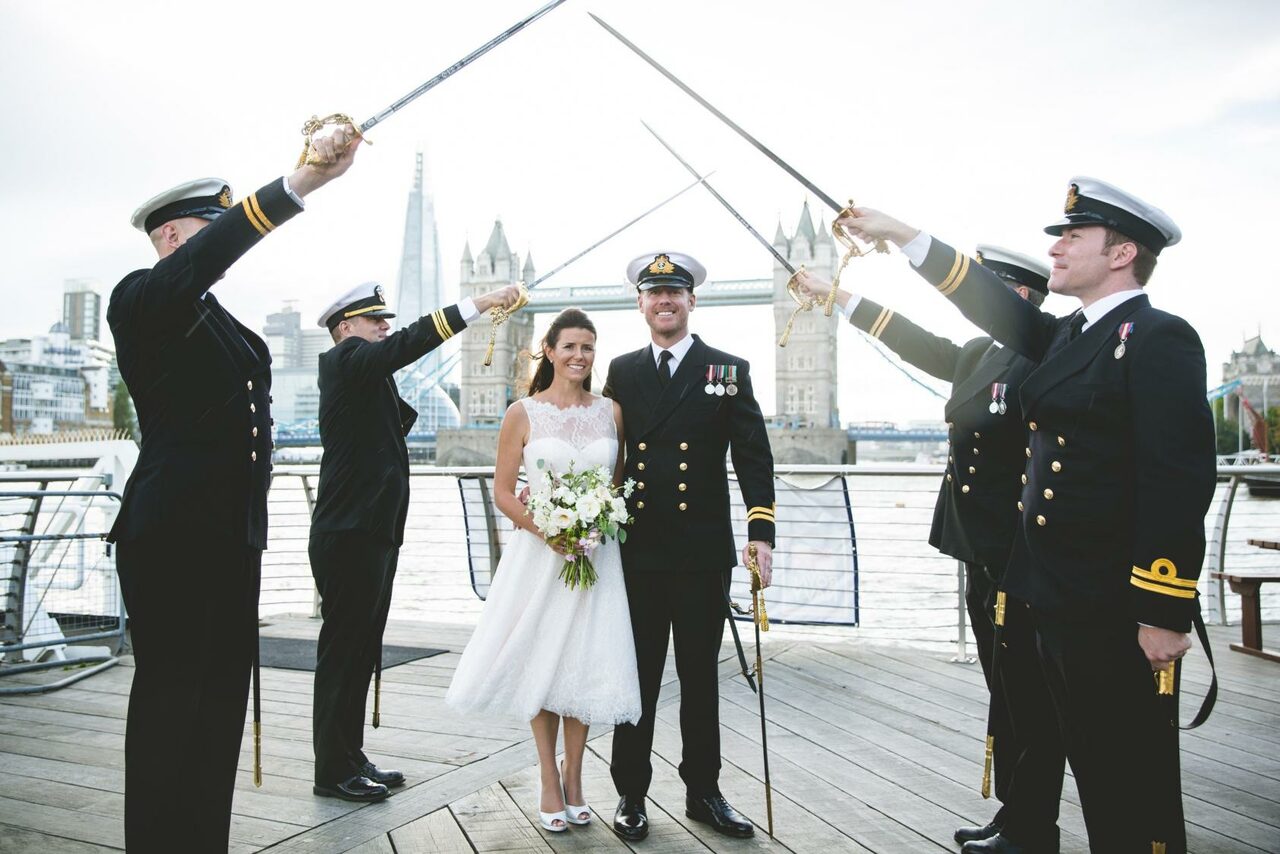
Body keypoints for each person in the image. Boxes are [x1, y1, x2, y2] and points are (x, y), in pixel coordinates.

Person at [838, 178, 1216, 852]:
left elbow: (1178, 477)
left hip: (1112, 606)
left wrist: (1164, 608)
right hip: (1055, 596)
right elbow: (981, 299)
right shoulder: (1069, 335)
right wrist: (899, 235)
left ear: (1123, 251)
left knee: (1129, 784)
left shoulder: (1159, 337)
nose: (1057, 246)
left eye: (1074, 235)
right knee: (1093, 769)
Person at [107, 126, 359, 850]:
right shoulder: (142, 299)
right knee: (171, 704)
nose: (221, 249)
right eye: (208, 234)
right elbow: (193, 272)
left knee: (220, 707)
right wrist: (298, 185)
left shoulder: (213, 318)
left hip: (228, 538)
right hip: (172, 536)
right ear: (173, 237)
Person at [797, 249, 1066, 851]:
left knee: (1031, 694)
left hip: (1022, 555)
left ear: (1019, 297)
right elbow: (910, 338)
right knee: (1007, 692)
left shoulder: (1048, 352)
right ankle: (1015, 814)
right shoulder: (979, 355)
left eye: (989, 287)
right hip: (979, 550)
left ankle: (1034, 829)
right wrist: (835, 296)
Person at [309, 279, 522, 802]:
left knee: (361, 650)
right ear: (344, 329)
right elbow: (408, 343)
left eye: (385, 318)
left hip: (371, 532)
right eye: (372, 319)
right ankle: (332, 770)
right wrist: (479, 305)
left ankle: (350, 756)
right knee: (343, 652)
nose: (384, 325)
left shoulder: (365, 376)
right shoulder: (343, 362)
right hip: (350, 533)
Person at [446, 308, 642, 832]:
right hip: (541, 556)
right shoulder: (522, 412)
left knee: (583, 660)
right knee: (542, 659)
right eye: (570, 346)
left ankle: (575, 775)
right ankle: (547, 776)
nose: (580, 356)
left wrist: (595, 521)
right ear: (549, 351)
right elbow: (504, 492)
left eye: (589, 348)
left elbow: (615, 486)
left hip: (597, 558)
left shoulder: (612, 413)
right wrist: (549, 530)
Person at [603, 251, 776, 841]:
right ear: (641, 304)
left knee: (700, 678)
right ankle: (630, 792)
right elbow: (609, 451)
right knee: (639, 678)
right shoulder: (622, 371)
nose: (665, 302)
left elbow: (753, 455)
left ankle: (704, 791)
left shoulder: (723, 370)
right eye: (654, 294)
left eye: (675, 292)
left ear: (691, 301)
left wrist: (761, 534)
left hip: (702, 553)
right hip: (639, 554)